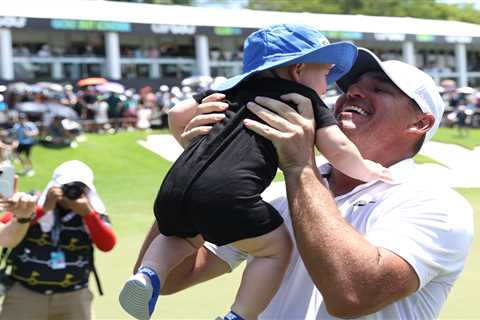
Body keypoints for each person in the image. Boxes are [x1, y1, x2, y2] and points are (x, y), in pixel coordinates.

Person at [137, 47, 474, 319]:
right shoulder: (275, 195)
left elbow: (353, 296)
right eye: (348, 86)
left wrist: (300, 165)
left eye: (379, 88)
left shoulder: (434, 202)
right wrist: (197, 166)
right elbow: (173, 277)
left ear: (420, 122)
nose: (352, 91)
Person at [121, 25, 391, 320]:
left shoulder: (228, 90)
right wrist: (367, 170)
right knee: (274, 249)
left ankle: (147, 276)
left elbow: (176, 114)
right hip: (229, 195)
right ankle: (239, 315)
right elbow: (338, 148)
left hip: (175, 186)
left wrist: (191, 147)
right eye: (325, 74)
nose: (329, 87)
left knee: (181, 237)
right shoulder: (302, 99)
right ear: (299, 69)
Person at [0, 160, 117, 320]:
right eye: (66, 186)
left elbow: (107, 244)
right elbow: (6, 227)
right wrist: (43, 209)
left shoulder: (93, 211)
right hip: (25, 294)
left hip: (74, 297)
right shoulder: (32, 203)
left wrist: (88, 214)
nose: (71, 192)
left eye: (78, 187)